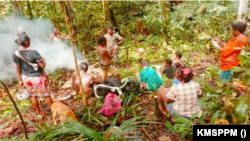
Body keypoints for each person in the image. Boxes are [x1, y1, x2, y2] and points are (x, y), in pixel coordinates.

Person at [11, 32, 53, 119]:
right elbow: (42, 66)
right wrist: (43, 60)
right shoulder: (34, 52)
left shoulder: (14, 54)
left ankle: (39, 113)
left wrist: (20, 80)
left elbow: (17, 68)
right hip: (37, 77)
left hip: (25, 78)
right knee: (46, 95)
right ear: (26, 42)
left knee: (33, 95)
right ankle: (54, 112)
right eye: (29, 40)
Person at [212, 22, 248, 97]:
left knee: (225, 81)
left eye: (232, 30)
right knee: (227, 79)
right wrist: (220, 42)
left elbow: (225, 51)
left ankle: (240, 92)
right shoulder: (242, 38)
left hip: (231, 64)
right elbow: (229, 47)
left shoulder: (239, 41)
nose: (232, 32)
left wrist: (216, 45)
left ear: (237, 30)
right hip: (234, 62)